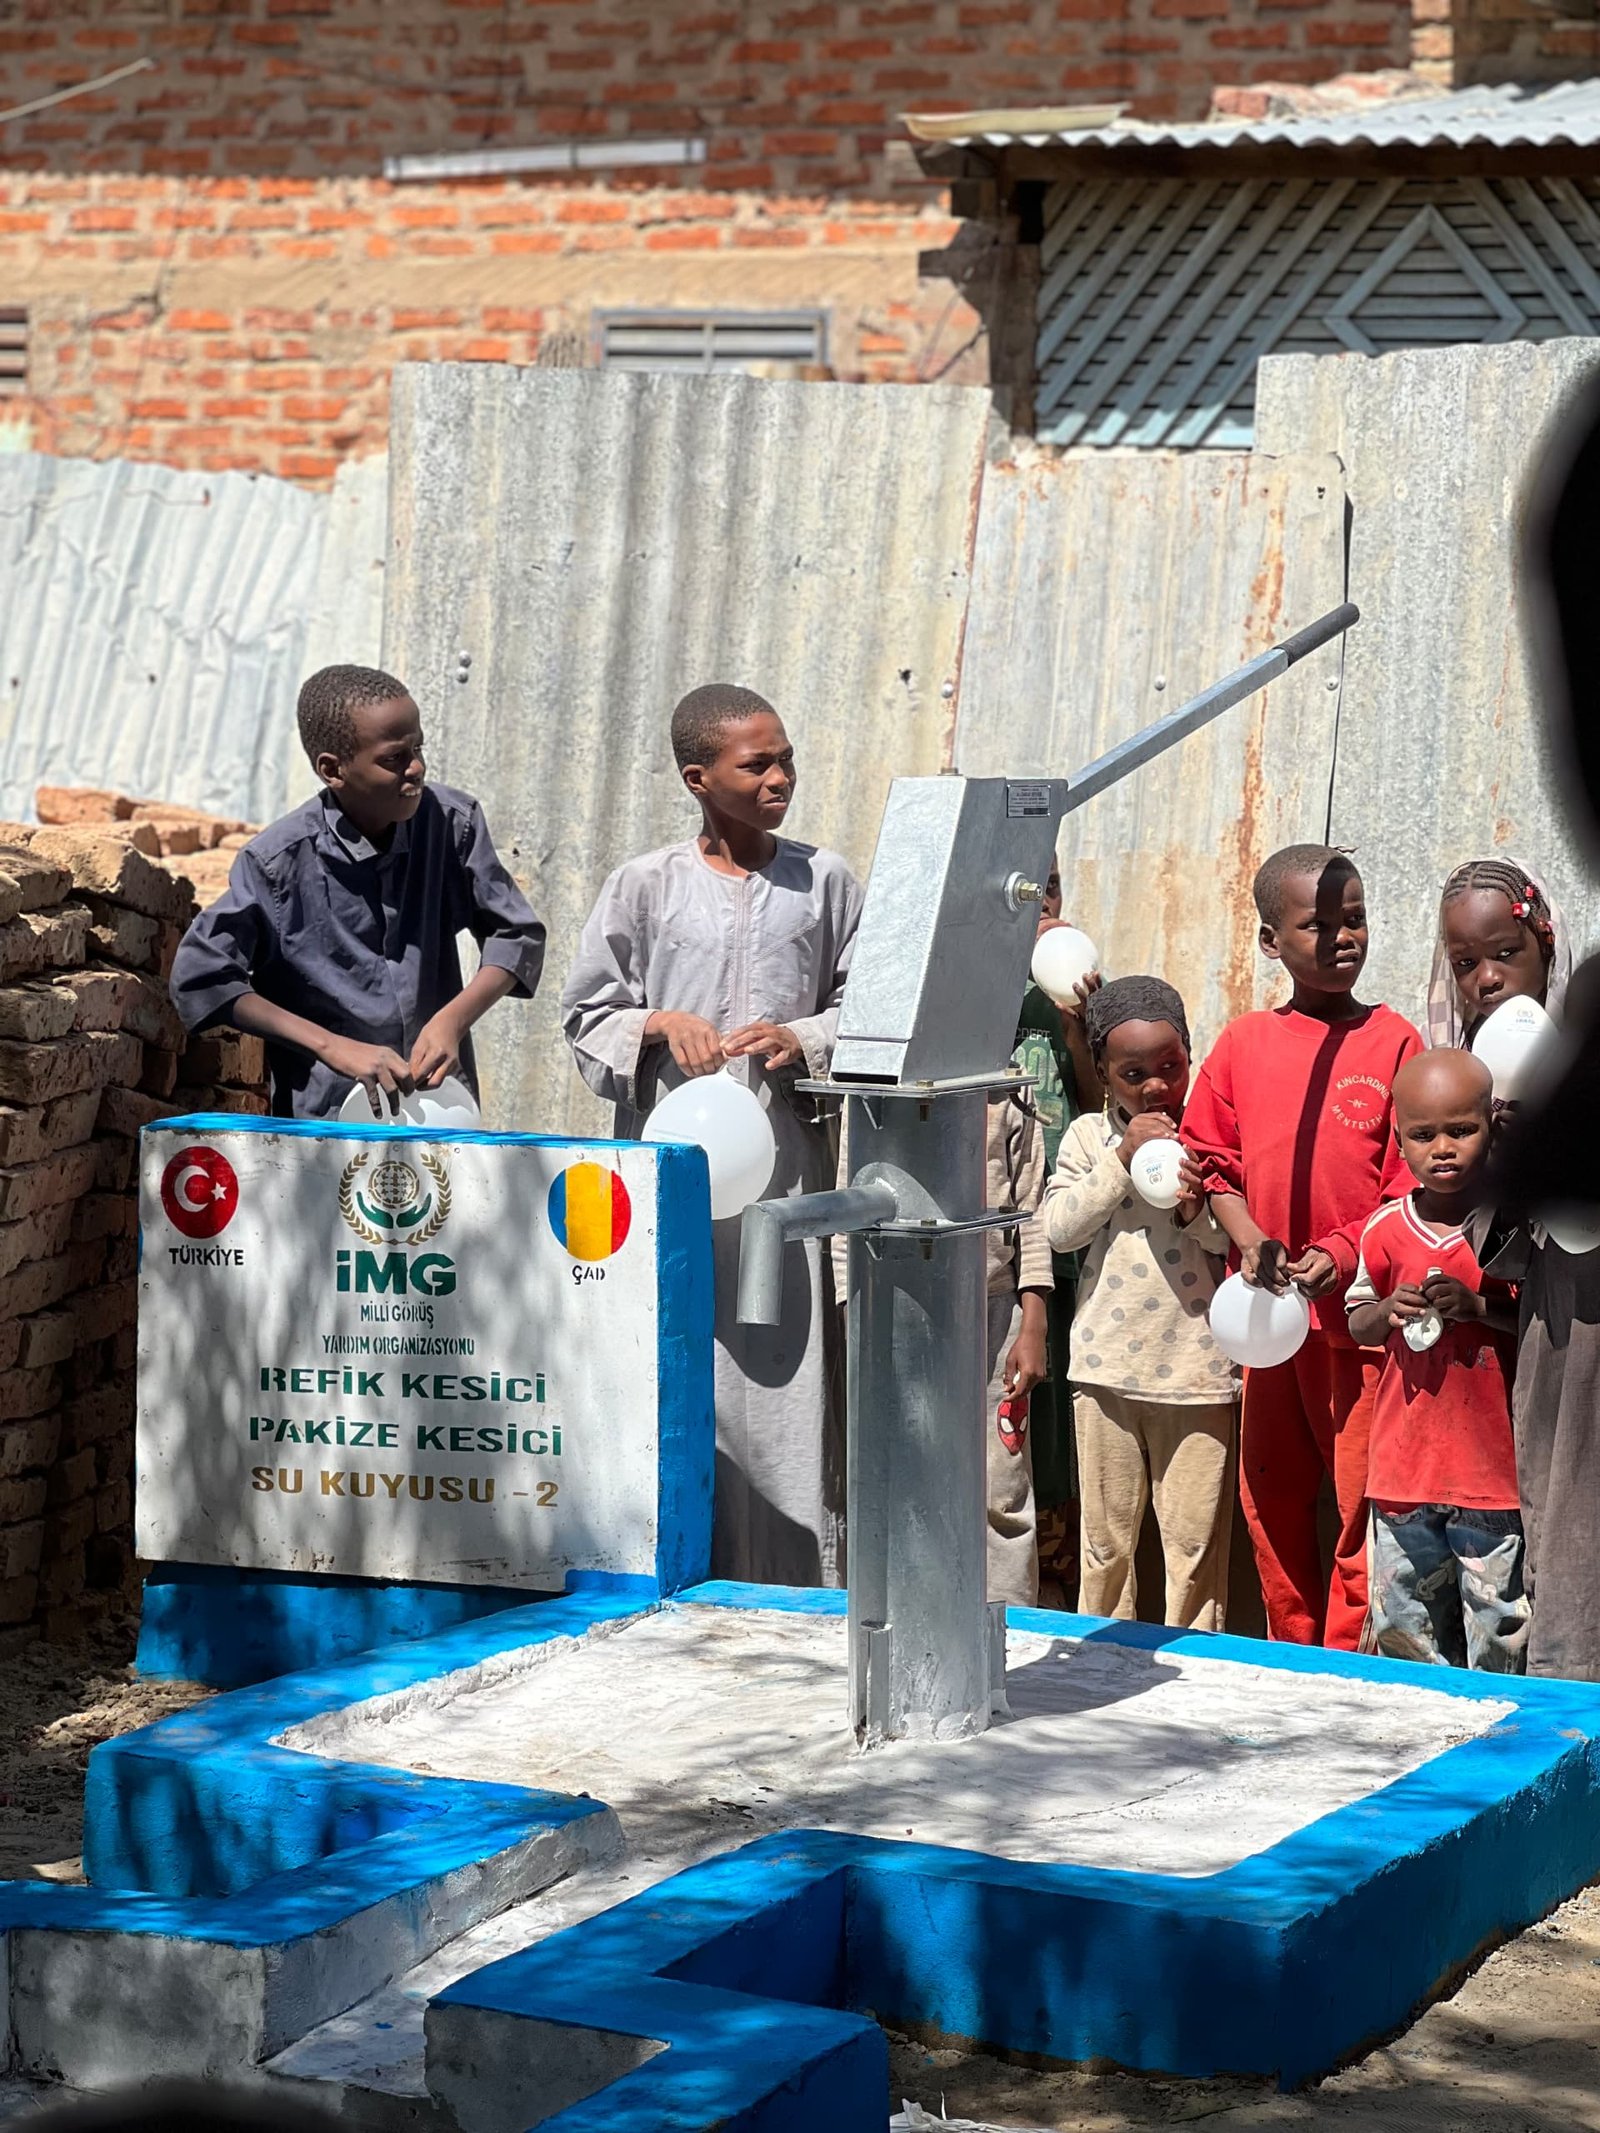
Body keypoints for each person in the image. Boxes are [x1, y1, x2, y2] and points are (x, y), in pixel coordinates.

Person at [561, 682, 862, 1588]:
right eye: (755, 764)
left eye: (786, 759)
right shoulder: (646, 885)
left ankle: (788, 1592)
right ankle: (672, 1579)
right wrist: (657, 1024)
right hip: (673, 1187)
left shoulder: (826, 880)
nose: (780, 778)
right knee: (673, 1366)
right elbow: (585, 1013)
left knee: (786, 1383)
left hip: (786, 1186)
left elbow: (872, 1011)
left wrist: (802, 1036)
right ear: (699, 778)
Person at [1182, 845, 1422, 1649]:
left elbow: (1405, 1182)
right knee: (1271, 1495)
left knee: (1360, 1501)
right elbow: (1211, 1161)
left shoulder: (1395, 1042)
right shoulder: (1245, 1044)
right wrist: (1251, 1239)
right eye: (1316, 923)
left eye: (1353, 918)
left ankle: (1348, 1658)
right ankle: (1291, 1646)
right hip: (1266, 1323)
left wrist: (1344, 1252)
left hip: (1354, 1327)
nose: (1342, 937)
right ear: (1269, 940)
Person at [171, 665, 544, 1119]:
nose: (417, 768)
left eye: (419, 748)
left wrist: (453, 1019)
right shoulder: (275, 864)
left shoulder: (451, 825)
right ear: (333, 769)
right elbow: (201, 976)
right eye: (394, 758)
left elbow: (516, 934)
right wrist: (332, 1047)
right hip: (326, 1124)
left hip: (443, 1110)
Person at [1044, 977, 1236, 1630]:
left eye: (1169, 1067)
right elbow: (1060, 1227)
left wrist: (1192, 1201)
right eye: (1133, 1073)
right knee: (1105, 1547)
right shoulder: (1085, 1140)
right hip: (1104, 1374)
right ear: (1101, 1071)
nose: (1155, 1085)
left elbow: (1226, 1237)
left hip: (1197, 1371)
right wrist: (1122, 1160)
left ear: (1189, 1056)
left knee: (1194, 1548)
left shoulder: (1210, 1136)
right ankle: (1095, 1667)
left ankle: (1197, 1673)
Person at [1346, 1051, 1527, 1672]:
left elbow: (1538, 1324)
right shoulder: (1384, 1230)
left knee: (1499, 1625)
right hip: (1403, 1472)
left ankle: (1498, 1749)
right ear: (1399, 1142)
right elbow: (1357, 1319)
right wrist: (1388, 1308)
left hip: (1492, 1474)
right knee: (1406, 1628)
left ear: (1492, 1128)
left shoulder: (1512, 1230)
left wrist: (1479, 1305)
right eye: (1424, 1136)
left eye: (1462, 1131)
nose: (1443, 1149)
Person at [1011, 859, 1099, 1604]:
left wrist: (1078, 1026)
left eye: (1052, 885)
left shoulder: (1077, 985)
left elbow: (1105, 1100)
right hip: (992, 1235)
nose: (1042, 903)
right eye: (1025, 888)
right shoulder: (965, 987)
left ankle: (1057, 1580)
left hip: (1066, 1238)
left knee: (1059, 1423)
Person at [982, 1084, 1055, 1610]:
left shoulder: (1011, 1092)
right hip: (897, 1314)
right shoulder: (877, 1086)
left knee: (1002, 1490)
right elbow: (854, 1199)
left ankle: (1011, 1636)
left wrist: (1033, 1326)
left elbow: (1029, 1213)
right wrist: (855, 1315)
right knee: (904, 1486)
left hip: (995, 1312)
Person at [1426, 856, 1572, 1050]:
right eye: (1465, 962)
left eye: (1505, 953)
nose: (1488, 979)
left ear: (1547, 942)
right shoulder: (1434, 1053)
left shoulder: (1586, 1051)